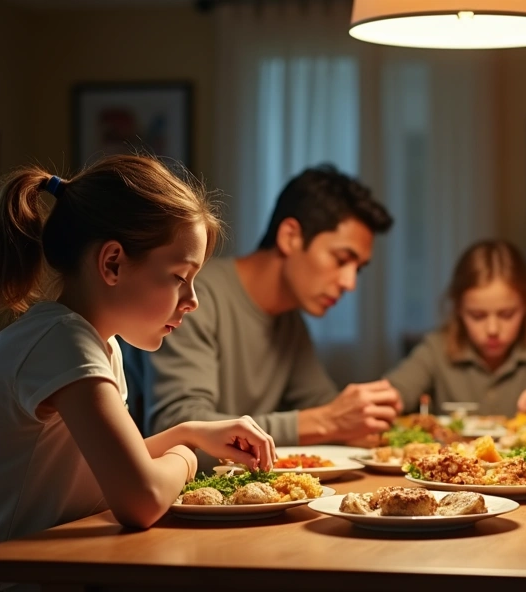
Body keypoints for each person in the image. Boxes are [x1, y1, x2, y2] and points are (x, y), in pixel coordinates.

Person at [0, 156, 276, 592]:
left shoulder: (96, 342)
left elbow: (106, 467)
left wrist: (190, 431)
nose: (192, 300)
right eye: (179, 277)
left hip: (49, 589)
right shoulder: (60, 343)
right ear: (112, 263)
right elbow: (142, 498)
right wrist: (188, 455)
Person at [145, 165, 402, 468]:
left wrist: (361, 420)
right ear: (290, 236)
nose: (349, 283)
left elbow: (322, 407)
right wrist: (326, 422)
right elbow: (177, 424)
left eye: (357, 268)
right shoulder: (195, 298)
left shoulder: (290, 322)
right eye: (341, 259)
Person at [385, 240, 526, 425]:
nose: (493, 330)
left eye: (506, 314)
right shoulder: (436, 348)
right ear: (458, 309)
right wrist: (381, 403)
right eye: (477, 316)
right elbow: (394, 393)